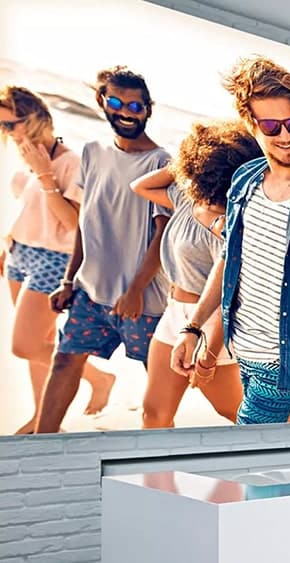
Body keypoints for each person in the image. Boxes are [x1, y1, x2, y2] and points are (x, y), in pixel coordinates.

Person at [171, 56, 290, 424]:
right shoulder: (243, 182)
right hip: (242, 352)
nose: (286, 135)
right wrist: (193, 328)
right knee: (274, 465)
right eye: (272, 126)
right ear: (251, 125)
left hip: (285, 363)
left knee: (245, 457)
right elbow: (228, 262)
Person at [130, 120, 290, 428]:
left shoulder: (230, 225)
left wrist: (208, 355)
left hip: (211, 321)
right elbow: (140, 185)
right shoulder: (186, 198)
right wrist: (187, 163)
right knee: (154, 415)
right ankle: (156, 477)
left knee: (257, 419)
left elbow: (231, 293)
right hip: (174, 315)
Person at [34, 67, 171, 434]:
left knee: (159, 382)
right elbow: (86, 222)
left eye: (135, 105)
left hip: (140, 302)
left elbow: (163, 235)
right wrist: (68, 280)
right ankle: (40, 445)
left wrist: (136, 290)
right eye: (116, 102)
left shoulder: (160, 163)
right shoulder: (92, 153)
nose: (126, 112)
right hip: (89, 295)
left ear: (147, 109)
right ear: (102, 102)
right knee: (64, 363)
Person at [0, 86, 116, 434]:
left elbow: (73, 224)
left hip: (56, 260)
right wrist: (9, 245)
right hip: (22, 254)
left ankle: (98, 377)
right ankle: (43, 420)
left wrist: (45, 176)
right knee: (39, 340)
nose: (6, 133)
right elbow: (32, 210)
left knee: (26, 346)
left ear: (33, 120)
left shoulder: (72, 163)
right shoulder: (30, 157)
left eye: (10, 125)